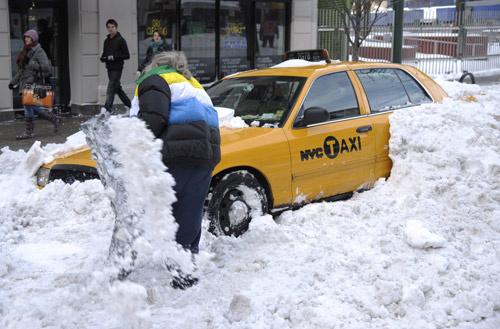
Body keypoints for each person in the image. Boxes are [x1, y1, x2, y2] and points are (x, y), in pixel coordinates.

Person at [134, 51, 220, 289]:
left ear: (158, 65)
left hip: (174, 153)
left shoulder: (156, 79)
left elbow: (152, 118)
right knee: (189, 213)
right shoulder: (193, 84)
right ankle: (186, 271)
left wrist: (133, 148)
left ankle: (130, 260)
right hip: (204, 155)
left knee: (158, 211)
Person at [9, 29, 60, 140]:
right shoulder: (25, 51)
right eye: (25, 37)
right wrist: (13, 82)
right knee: (30, 105)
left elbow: (46, 67)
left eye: (28, 37)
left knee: (27, 106)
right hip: (24, 83)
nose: (26, 39)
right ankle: (53, 118)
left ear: (34, 39)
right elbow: (21, 70)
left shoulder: (39, 51)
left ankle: (29, 132)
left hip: (33, 83)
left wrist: (30, 62)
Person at [100, 19, 131, 113]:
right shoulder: (106, 41)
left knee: (111, 87)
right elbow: (105, 53)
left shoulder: (121, 40)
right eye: (109, 27)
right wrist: (103, 58)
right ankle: (130, 105)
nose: (110, 29)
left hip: (117, 68)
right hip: (109, 67)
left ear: (116, 28)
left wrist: (114, 57)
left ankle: (107, 109)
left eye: (112, 27)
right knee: (117, 88)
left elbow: (127, 55)